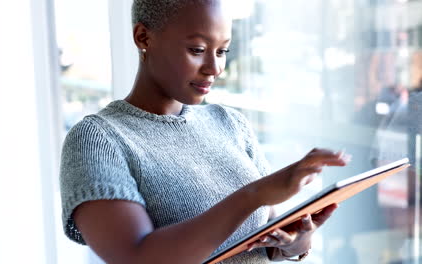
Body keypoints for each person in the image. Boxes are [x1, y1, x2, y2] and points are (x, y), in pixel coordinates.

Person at [59, 0, 351, 263]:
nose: (214, 68)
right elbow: (138, 256)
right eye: (197, 50)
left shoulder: (230, 123)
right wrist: (254, 194)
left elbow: (267, 237)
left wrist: (295, 242)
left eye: (222, 51)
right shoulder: (98, 140)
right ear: (143, 37)